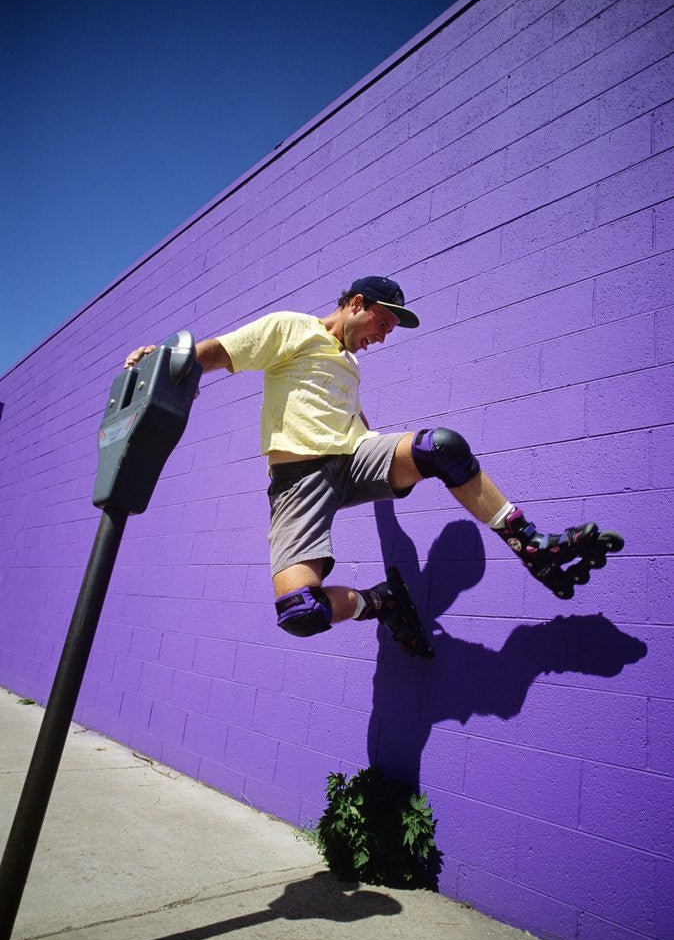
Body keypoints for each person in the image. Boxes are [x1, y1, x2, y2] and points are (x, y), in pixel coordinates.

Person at [124, 276, 620, 656]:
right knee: (300, 612)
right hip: (300, 483)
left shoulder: (350, 365)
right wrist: (163, 359)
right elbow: (218, 352)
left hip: (355, 461)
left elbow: (355, 421)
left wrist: (392, 452)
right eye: (382, 323)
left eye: (389, 331)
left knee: (441, 447)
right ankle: (378, 602)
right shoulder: (291, 327)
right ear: (356, 304)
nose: (383, 337)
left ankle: (531, 544)